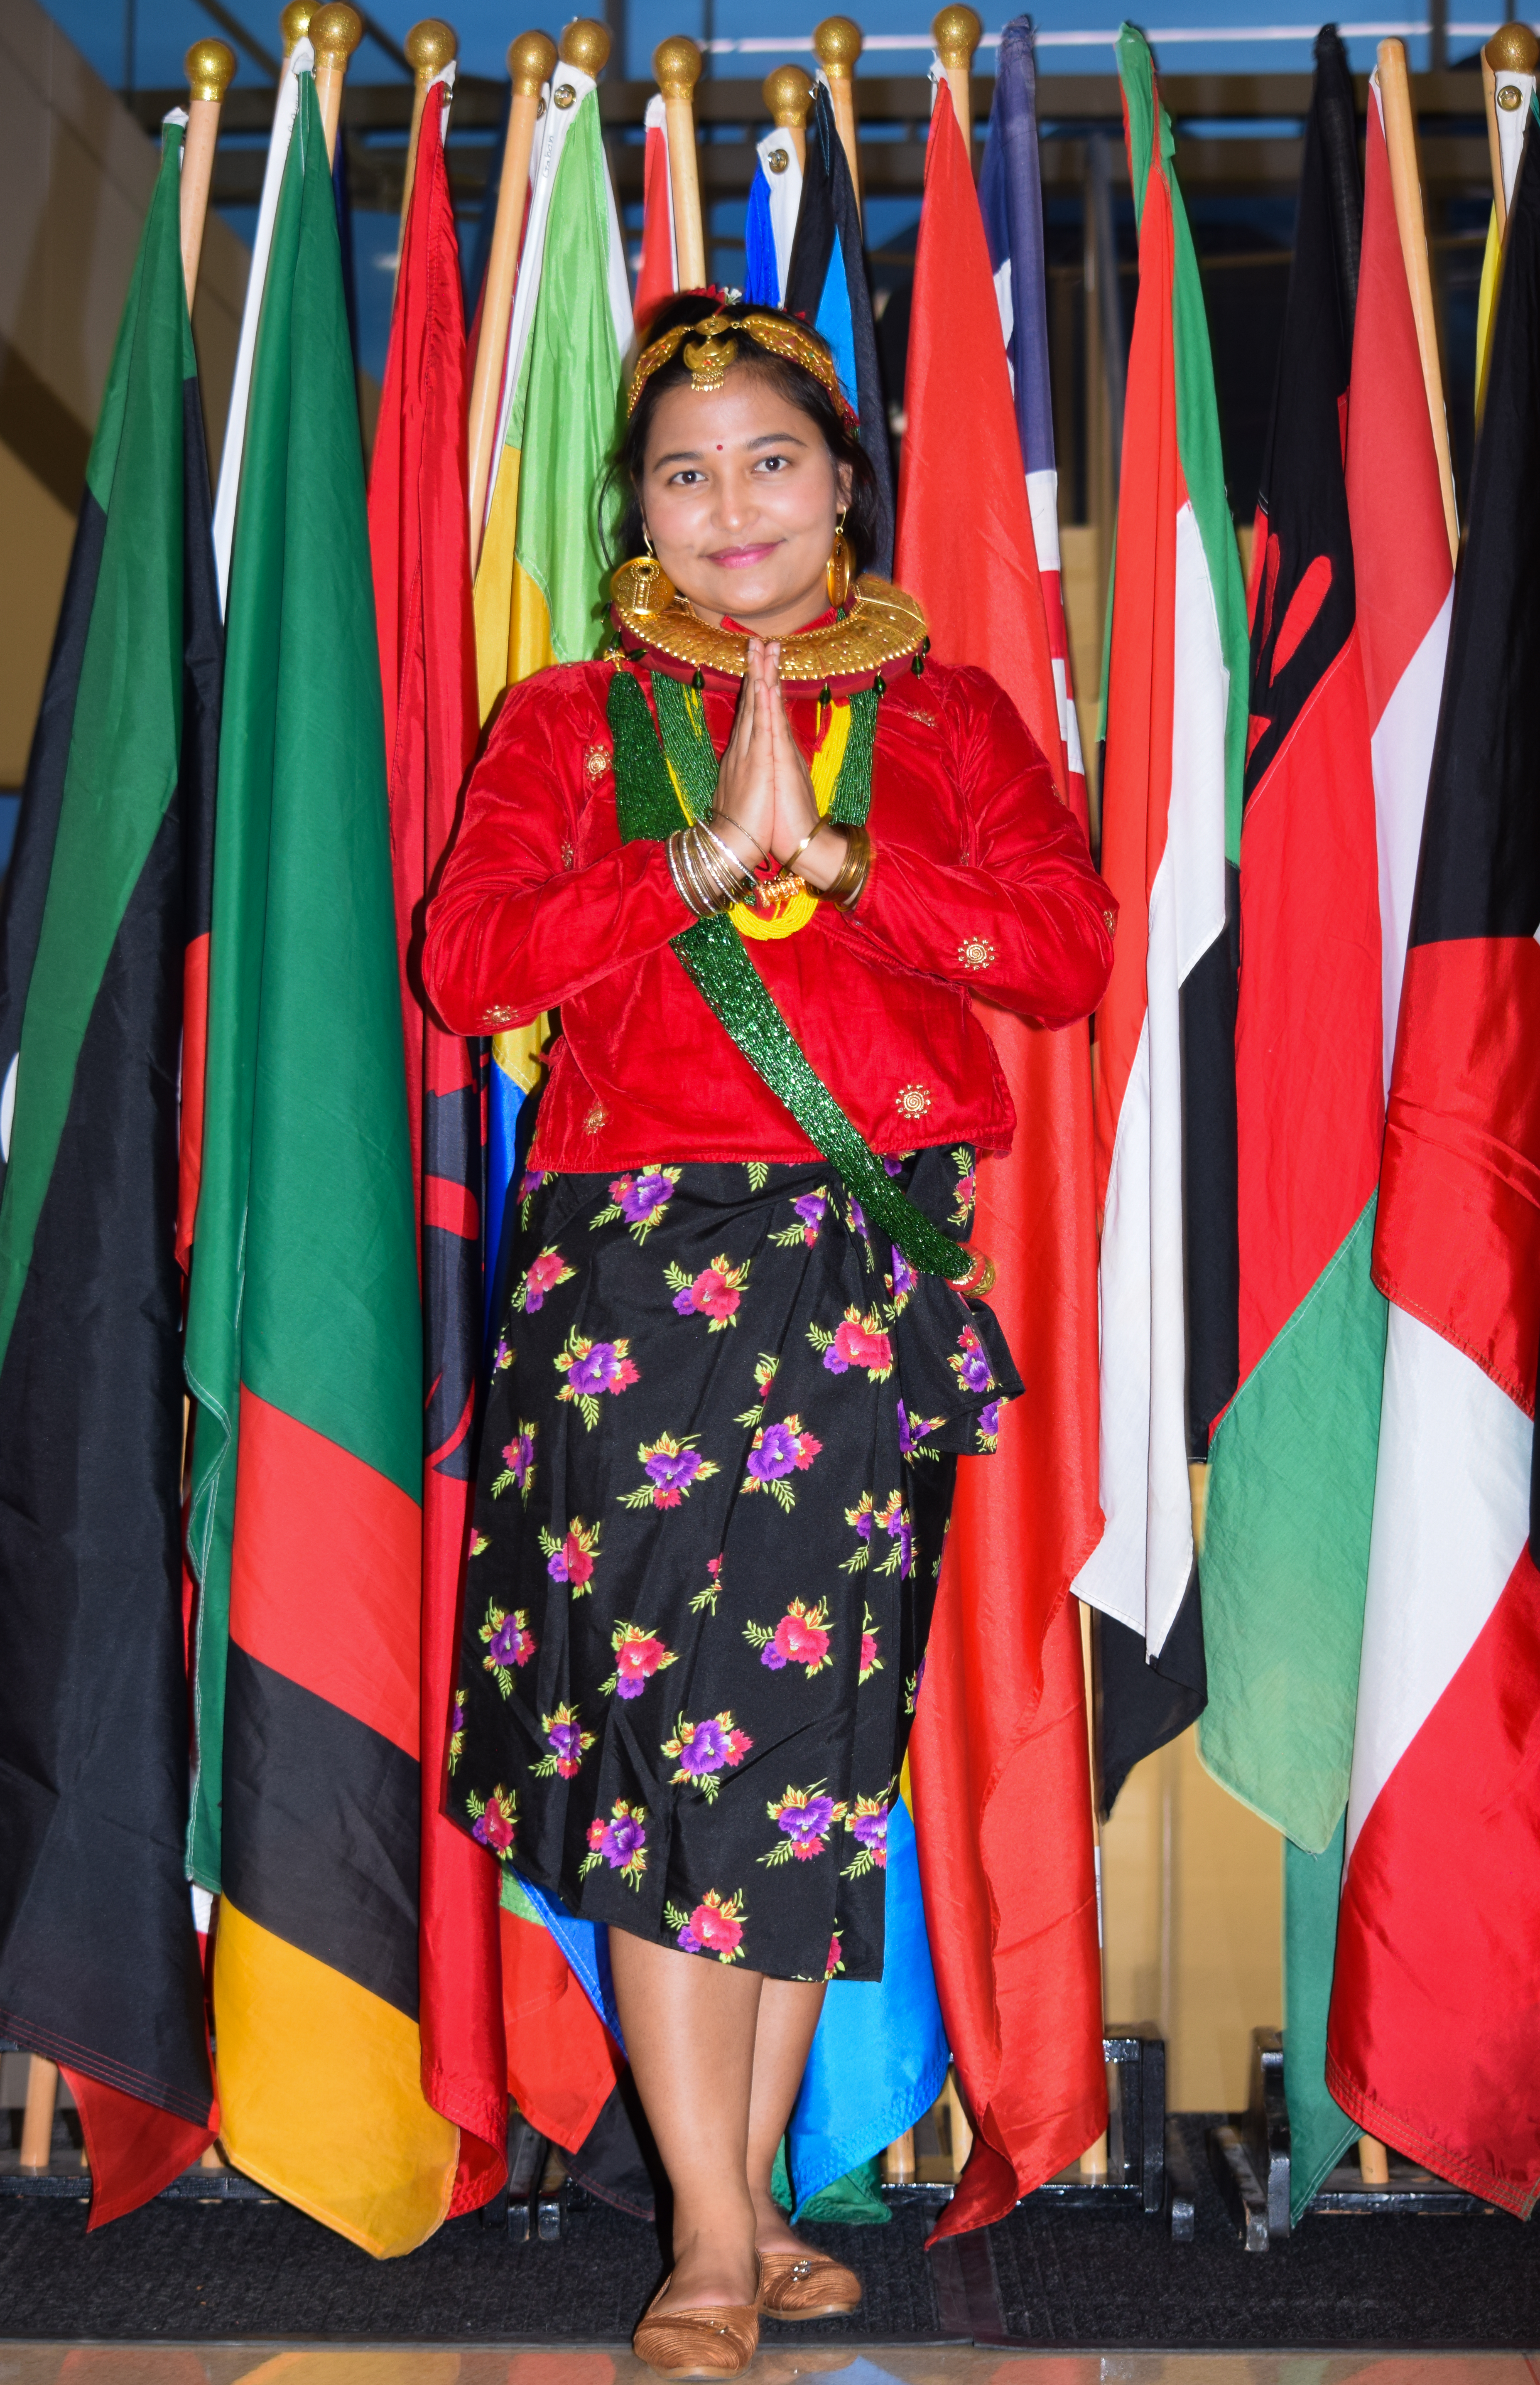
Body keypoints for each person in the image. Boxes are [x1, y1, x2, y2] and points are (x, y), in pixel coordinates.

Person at [424, 294, 1114, 2378]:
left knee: (802, 1769)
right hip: (633, 1279)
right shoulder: (563, 722)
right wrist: (695, 861)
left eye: (773, 460)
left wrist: (839, 861)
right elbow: (469, 968)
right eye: (683, 468)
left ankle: (745, 2202)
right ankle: (715, 2233)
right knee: (659, 1766)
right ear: (637, 504)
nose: (732, 505)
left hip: (860, 1279)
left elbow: (1067, 954)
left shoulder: (963, 718)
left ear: (844, 484)